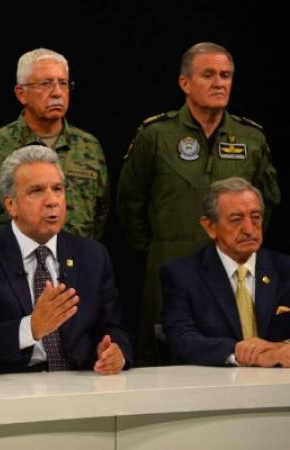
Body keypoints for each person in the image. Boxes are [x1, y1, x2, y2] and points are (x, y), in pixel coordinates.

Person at [117, 42, 280, 365]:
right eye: (208, 75)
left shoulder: (251, 138)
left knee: (241, 358)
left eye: (226, 75)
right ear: (185, 83)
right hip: (169, 267)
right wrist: (162, 246)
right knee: (166, 359)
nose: (219, 82)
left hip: (234, 275)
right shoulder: (156, 135)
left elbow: (268, 202)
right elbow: (129, 203)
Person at [0, 145, 131, 375]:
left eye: (57, 189)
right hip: (8, 391)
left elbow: (113, 327)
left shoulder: (92, 255)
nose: (52, 201)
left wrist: (117, 352)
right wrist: (31, 328)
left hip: (79, 386)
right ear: (11, 205)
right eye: (36, 191)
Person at [0, 48, 108, 240]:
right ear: (21, 94)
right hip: (6, 266)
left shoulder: (89, 147)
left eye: (63, 83)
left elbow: (99, 214)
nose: (57, 93)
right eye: (45, 84)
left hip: (71, 265)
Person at [162, 177, 290, 367]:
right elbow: (182, 339)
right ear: (210, 227)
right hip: (217, 388)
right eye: (236, 219)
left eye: (255, 217)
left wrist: (282, 349)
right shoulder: (182, 275)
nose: (249, 229)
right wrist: (240, 352)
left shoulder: (285, 268)